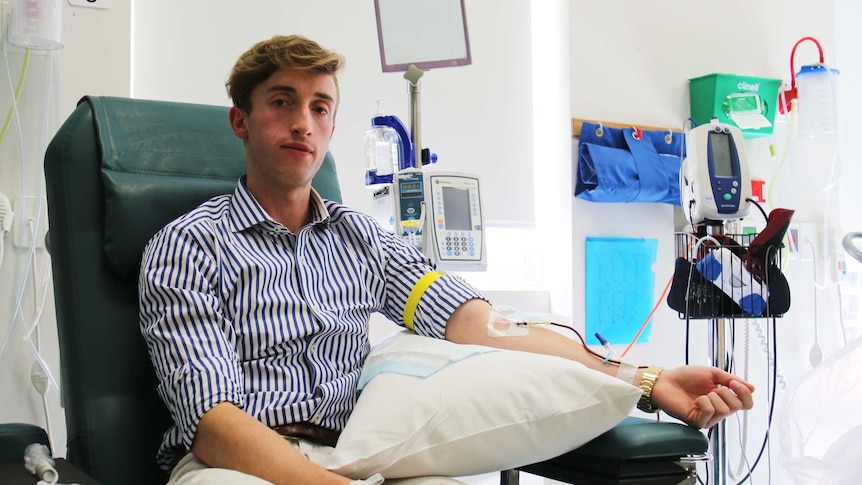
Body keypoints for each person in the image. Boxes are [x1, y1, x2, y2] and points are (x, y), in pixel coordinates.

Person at [138, 34, 755, 485]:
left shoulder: (361, 238)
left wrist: (644, 379)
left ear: (332, 127)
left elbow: (476, 321)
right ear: (240, 122)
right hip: (239, 464)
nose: (303, 122)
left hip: (356, 453)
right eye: (281, 102)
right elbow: (212, 420)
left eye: (320, 107)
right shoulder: (189, 246)